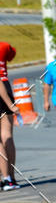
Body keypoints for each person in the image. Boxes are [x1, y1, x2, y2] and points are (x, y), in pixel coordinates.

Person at [0, 41, 20, 190]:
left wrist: (9, 104)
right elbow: (11, 55)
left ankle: (6, 178)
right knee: (7, 135)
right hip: (5, 86)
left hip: (1, 88)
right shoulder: (4, 45)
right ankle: (11, 177)